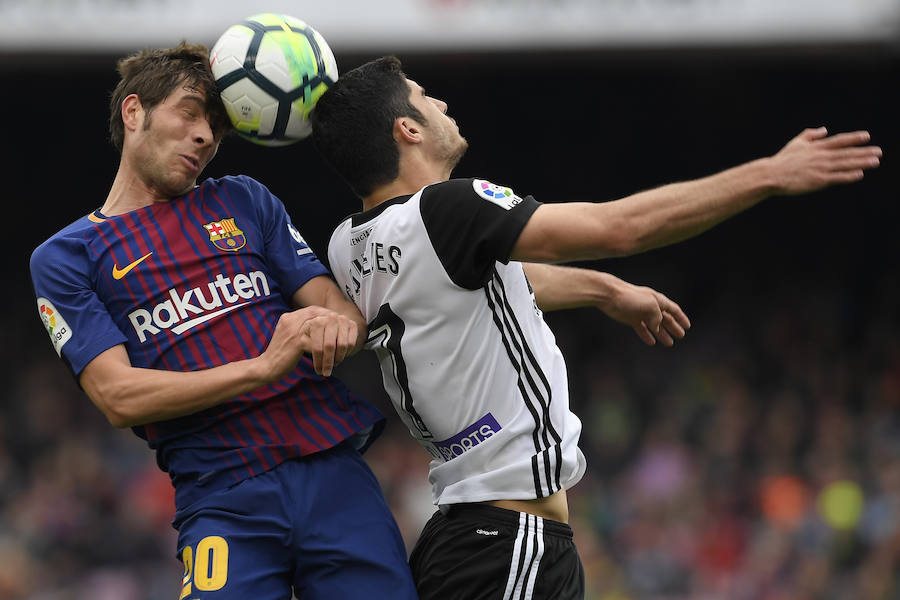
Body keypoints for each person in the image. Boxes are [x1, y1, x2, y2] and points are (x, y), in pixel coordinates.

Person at [309, 55, 882, 599]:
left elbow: (485, 281)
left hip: (468, 539)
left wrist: (602, 289)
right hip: (510, 541)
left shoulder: (351, 244)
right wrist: (769, 174)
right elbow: (620, 228)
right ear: (408, 129)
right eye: (424, 98)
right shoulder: (449, 210)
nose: (441, 102)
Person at [28, 43, 419, 600]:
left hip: (332, 471)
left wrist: (340, 328)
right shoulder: (67, 257)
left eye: (215, 125)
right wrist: (261, 367)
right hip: (222, 498)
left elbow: (337, 309)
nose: (205, 136)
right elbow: (119, 396)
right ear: (134, 111)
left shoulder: (244, 200)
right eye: (189, 113)